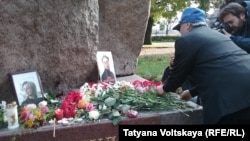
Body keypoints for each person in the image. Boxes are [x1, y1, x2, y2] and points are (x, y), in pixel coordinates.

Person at [155, 7, 250, 124]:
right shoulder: (218, 35)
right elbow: (220, 69)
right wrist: (192, 92)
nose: (180, 33)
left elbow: (178, 73)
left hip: (231, 99)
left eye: (180, 28)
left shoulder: (186, 39)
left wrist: (164, 88)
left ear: (187, 25)